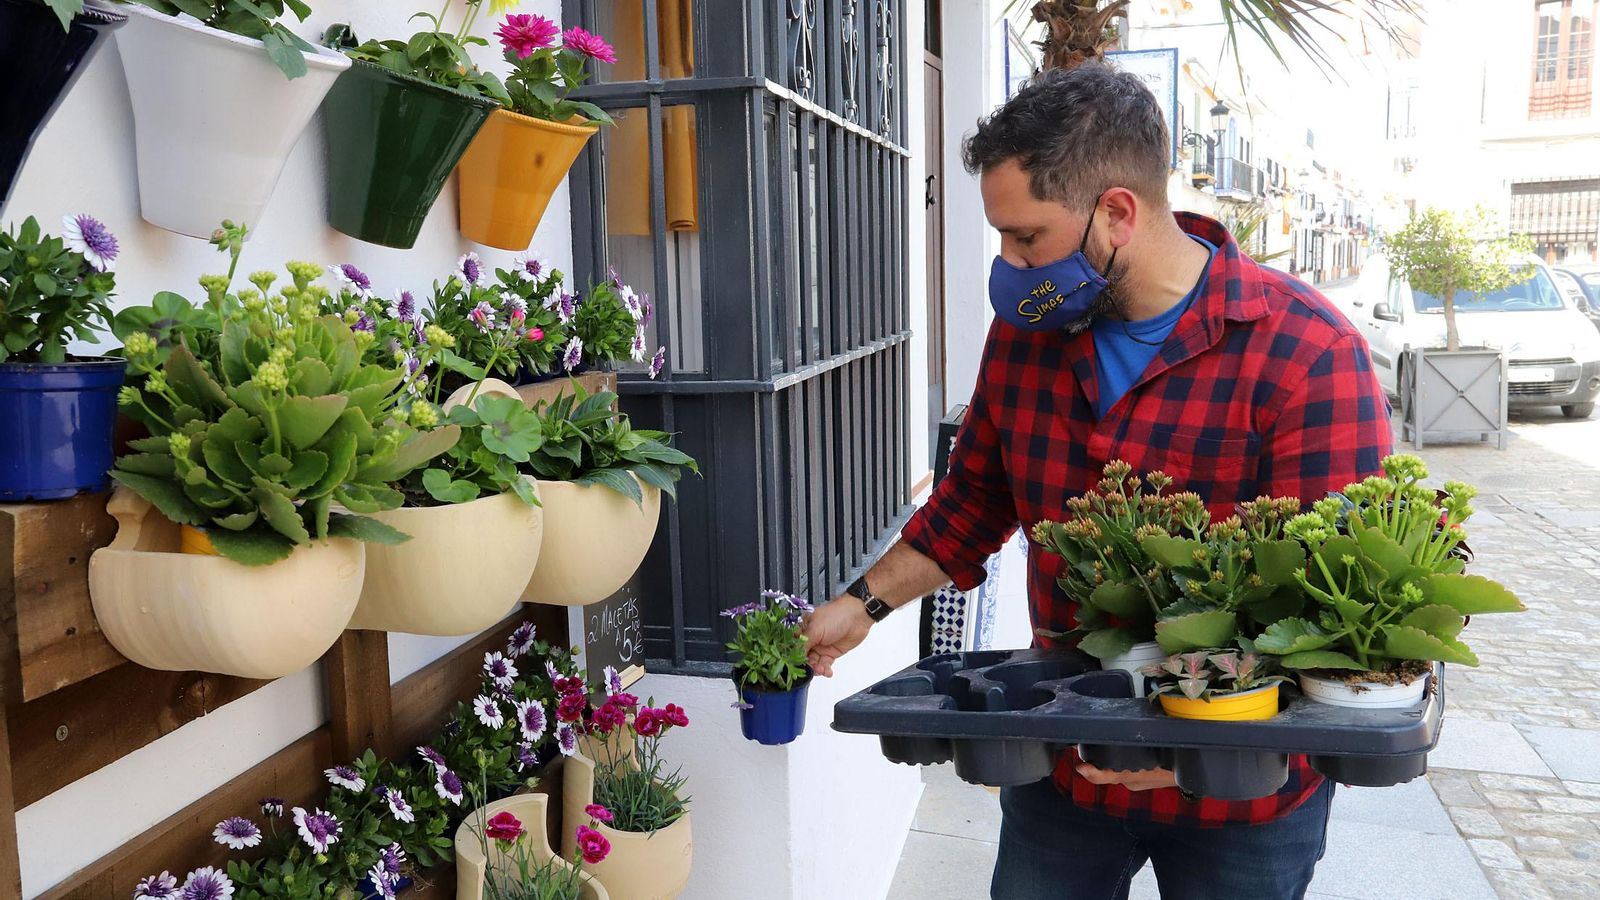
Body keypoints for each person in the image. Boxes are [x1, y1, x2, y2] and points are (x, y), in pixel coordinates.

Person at [801, 63, 1393, 900]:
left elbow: (1334, 607)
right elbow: (971, 504)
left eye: (1026, 238)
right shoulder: (1027, 340)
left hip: (1243, 794)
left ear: (1116, 212)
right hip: (1065, 772)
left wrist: (1199, 738)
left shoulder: (1305, 355)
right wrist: (859, 606)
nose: (1008, 265)